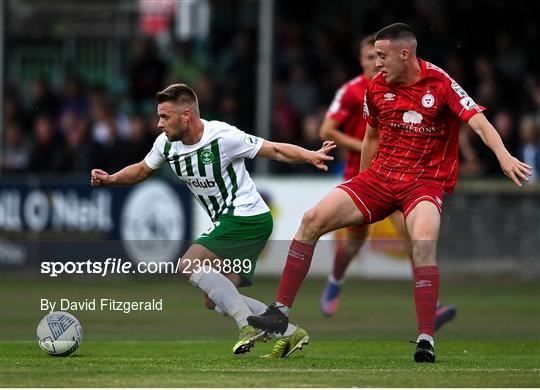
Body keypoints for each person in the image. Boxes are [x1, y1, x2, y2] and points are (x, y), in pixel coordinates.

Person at [247, 23, 531, 363]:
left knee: (423, 244)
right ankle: (280, 311)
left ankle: (425, 337)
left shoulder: (440, 83)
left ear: (404, 54)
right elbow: (370, 138)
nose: (376, 64)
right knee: (311, 220)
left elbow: (479, 123)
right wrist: (362, 184)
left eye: (381, 56)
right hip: (380, 178)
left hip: (423, 183)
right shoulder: (376, 87)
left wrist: (504, 157)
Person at [91, 83, 336, 357]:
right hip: (233, 220)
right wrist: (111, 179)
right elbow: (142, 170)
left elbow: (274, 150)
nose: (159, 124)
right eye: (158, 116)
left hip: (246, 216)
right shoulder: (166, 145)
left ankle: (247, 325)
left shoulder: (222, 136)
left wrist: (310, 155)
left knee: (188, 263)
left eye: (164, 117)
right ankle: (289, 331)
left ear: (186, 116)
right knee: (214, 298)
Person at [319, 35, 457, 330]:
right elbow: (327, 130)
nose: (375, 63)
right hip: (362, 174)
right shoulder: (353, 91)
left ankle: (430, 308)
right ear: (361, 61)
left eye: (379, 57)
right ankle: (335, 279)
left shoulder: (405, 86)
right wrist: (363, 147)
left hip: (400, 176)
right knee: (353, 245)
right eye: (370, 58)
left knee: (413, 237)